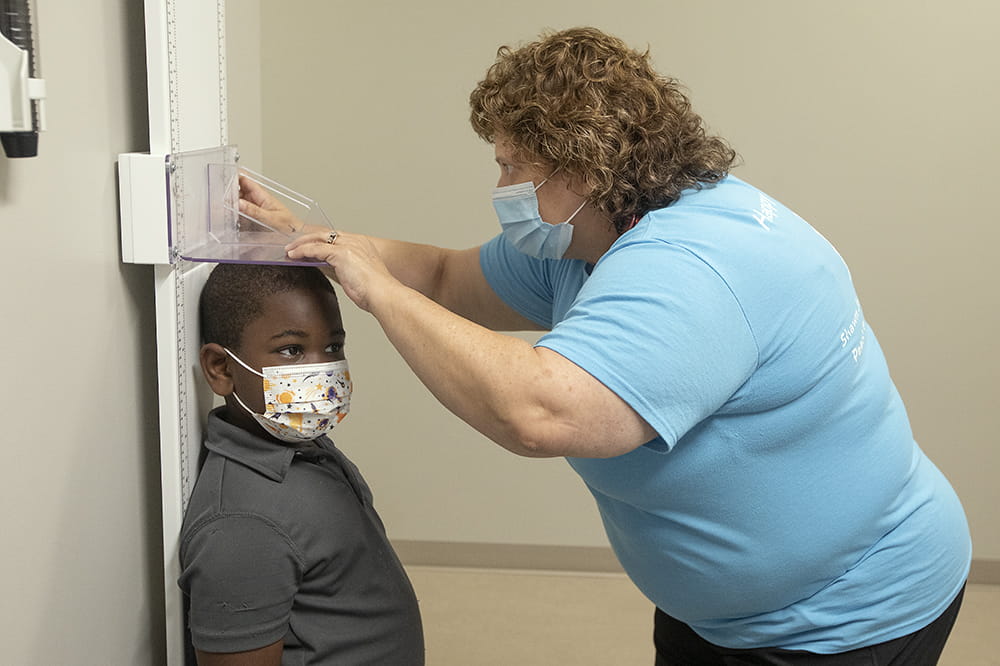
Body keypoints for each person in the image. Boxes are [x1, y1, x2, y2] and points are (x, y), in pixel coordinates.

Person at [240, 27, 971, 665]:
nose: (499, 184)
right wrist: (311, 243)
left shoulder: (695, 266)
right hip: (718, 613)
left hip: (849, 615)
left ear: (581, 167)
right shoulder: (583, 239)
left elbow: (539, 413)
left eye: (511, 164)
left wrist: (378, 292)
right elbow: (442, 275)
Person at [178, 263, 424, 665]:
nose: (323, 370)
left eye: (333, 347)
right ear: (221, 369)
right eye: (291, 350)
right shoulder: (244, 525)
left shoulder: (303, 448)